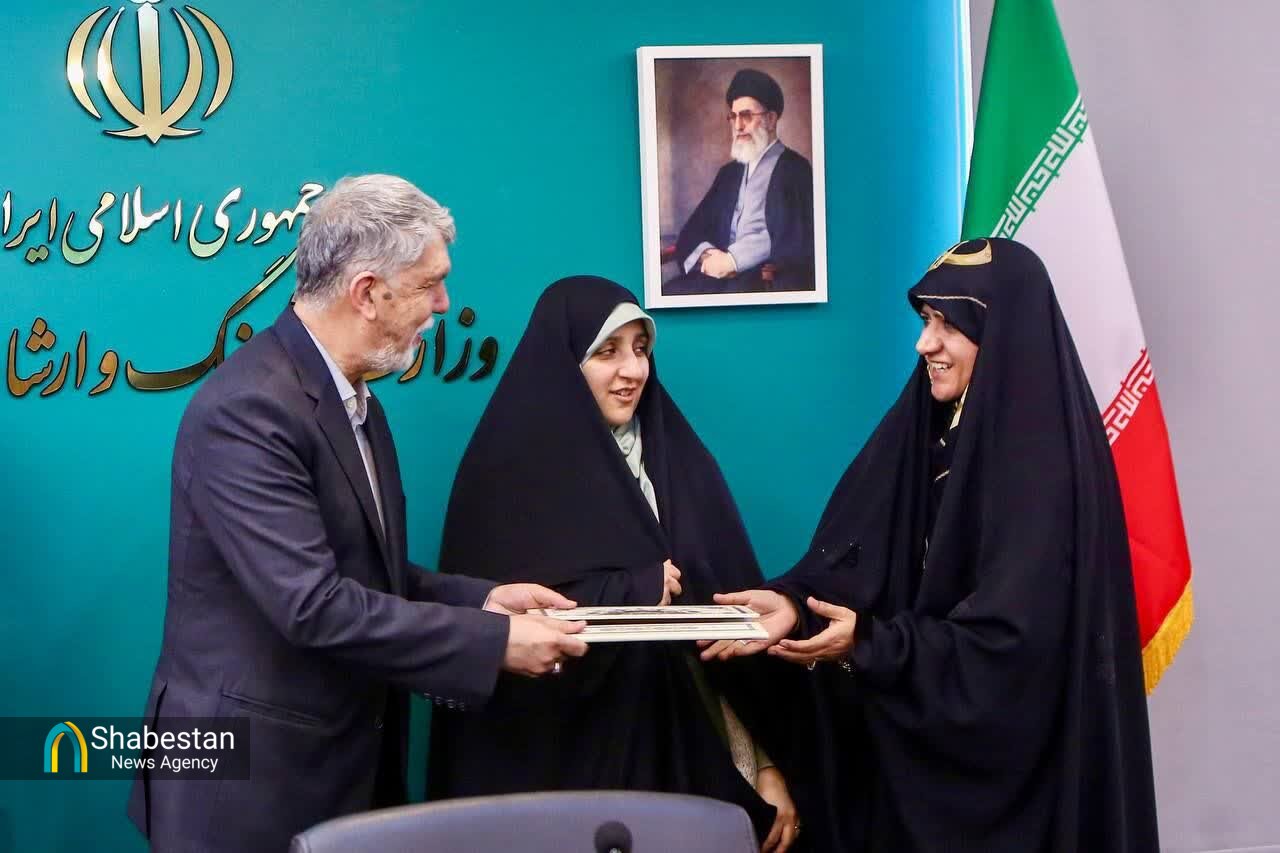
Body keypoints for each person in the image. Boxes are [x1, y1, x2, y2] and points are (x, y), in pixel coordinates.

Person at [126, 175, 588, 852]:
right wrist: (491, 643)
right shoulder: (248, 410)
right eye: (430, 284)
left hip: (338, 768)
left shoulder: (354, 397)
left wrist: (485, 600)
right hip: (247, 788)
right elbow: (312, 604)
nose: (444, 303)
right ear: (367, 292)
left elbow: (365, 570)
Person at [703, 238, 1160, 852]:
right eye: (925, 321)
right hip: (919, 755)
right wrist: (796, 603)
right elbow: (857, 554)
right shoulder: (926, 426)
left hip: (1019, 780)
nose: (924, 345)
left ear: (1002, 333)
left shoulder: (1042, 468)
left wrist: (872, 644)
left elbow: (1012, 649)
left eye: (949, 325)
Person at [428, 276, 849, 851]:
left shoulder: (678, 464)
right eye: (607, 352)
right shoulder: (505, 473)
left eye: (641, 349)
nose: (633, 370)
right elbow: (505, 634)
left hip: (683, 762)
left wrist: (764, 763)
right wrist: (631, 587)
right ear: (565, 363)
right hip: (555, 778)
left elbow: (720, 636)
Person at [664, 68, 815, 295]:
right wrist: (707, 255)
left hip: (762, 282)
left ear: (771, 119)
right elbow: (694, 228)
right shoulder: (729, 173)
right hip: (717, 277)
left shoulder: (795, 170)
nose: (737, 126)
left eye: (746, 116)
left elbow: (794, 241)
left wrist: (734, 260)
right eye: (733, 117)